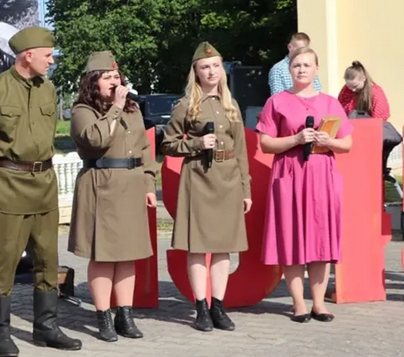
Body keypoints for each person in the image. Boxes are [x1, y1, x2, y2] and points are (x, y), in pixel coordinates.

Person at [0, 26, 82, 357]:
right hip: (9, 184)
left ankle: (46, 327)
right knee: (4, 262)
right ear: (28, 55)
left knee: (48, 260)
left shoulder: (48, 89)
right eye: (47, 56)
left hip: (44, 185)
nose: (52, 61)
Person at [161, 43, 252, 332]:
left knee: (224, 248)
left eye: (215, 66)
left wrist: (245, 189)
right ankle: (201, 306)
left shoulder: (231, 104)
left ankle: (219, 306)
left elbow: (241, 151)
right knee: (198, 248)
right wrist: (196, 144)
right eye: (205, 67)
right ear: (196, 72)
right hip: (199, 177)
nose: (211, 71)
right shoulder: (186, 105)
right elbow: (168, 144)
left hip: (227, 181)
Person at [257, 47, 353, 322]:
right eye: (297, 65)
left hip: (322, 175)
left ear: (316, 69)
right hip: (289, 174)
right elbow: (265, 143)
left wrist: (327, 141)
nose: (301, 69)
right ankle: (298, 303)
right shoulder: (276, 102)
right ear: (290, 70)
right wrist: (296, 139)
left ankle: (319, 304)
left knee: (320, 239)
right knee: (292, 237)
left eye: (307, 65)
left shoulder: (330, 103)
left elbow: (347, 143)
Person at [68, 51, 158, 341]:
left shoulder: (133, 110)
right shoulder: (82, 110)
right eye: (106, 77)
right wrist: (115, 107)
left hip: (131, 187)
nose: (113, 82)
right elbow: (97, 139)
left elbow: (144, 150)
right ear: (93, 82)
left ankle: (125, 315)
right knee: (104, 256)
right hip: (102, 186)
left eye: (116, 76)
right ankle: (103, 317)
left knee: (128, 255)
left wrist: (148, 185)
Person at [337, 61, 400, 179]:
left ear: (364, 78)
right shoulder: (346, 90)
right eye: (349, 86)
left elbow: (380, 118)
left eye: (355, 86)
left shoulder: (375, 92)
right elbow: (340, 110)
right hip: (351, 133)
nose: (352, 90)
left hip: (370, 135)